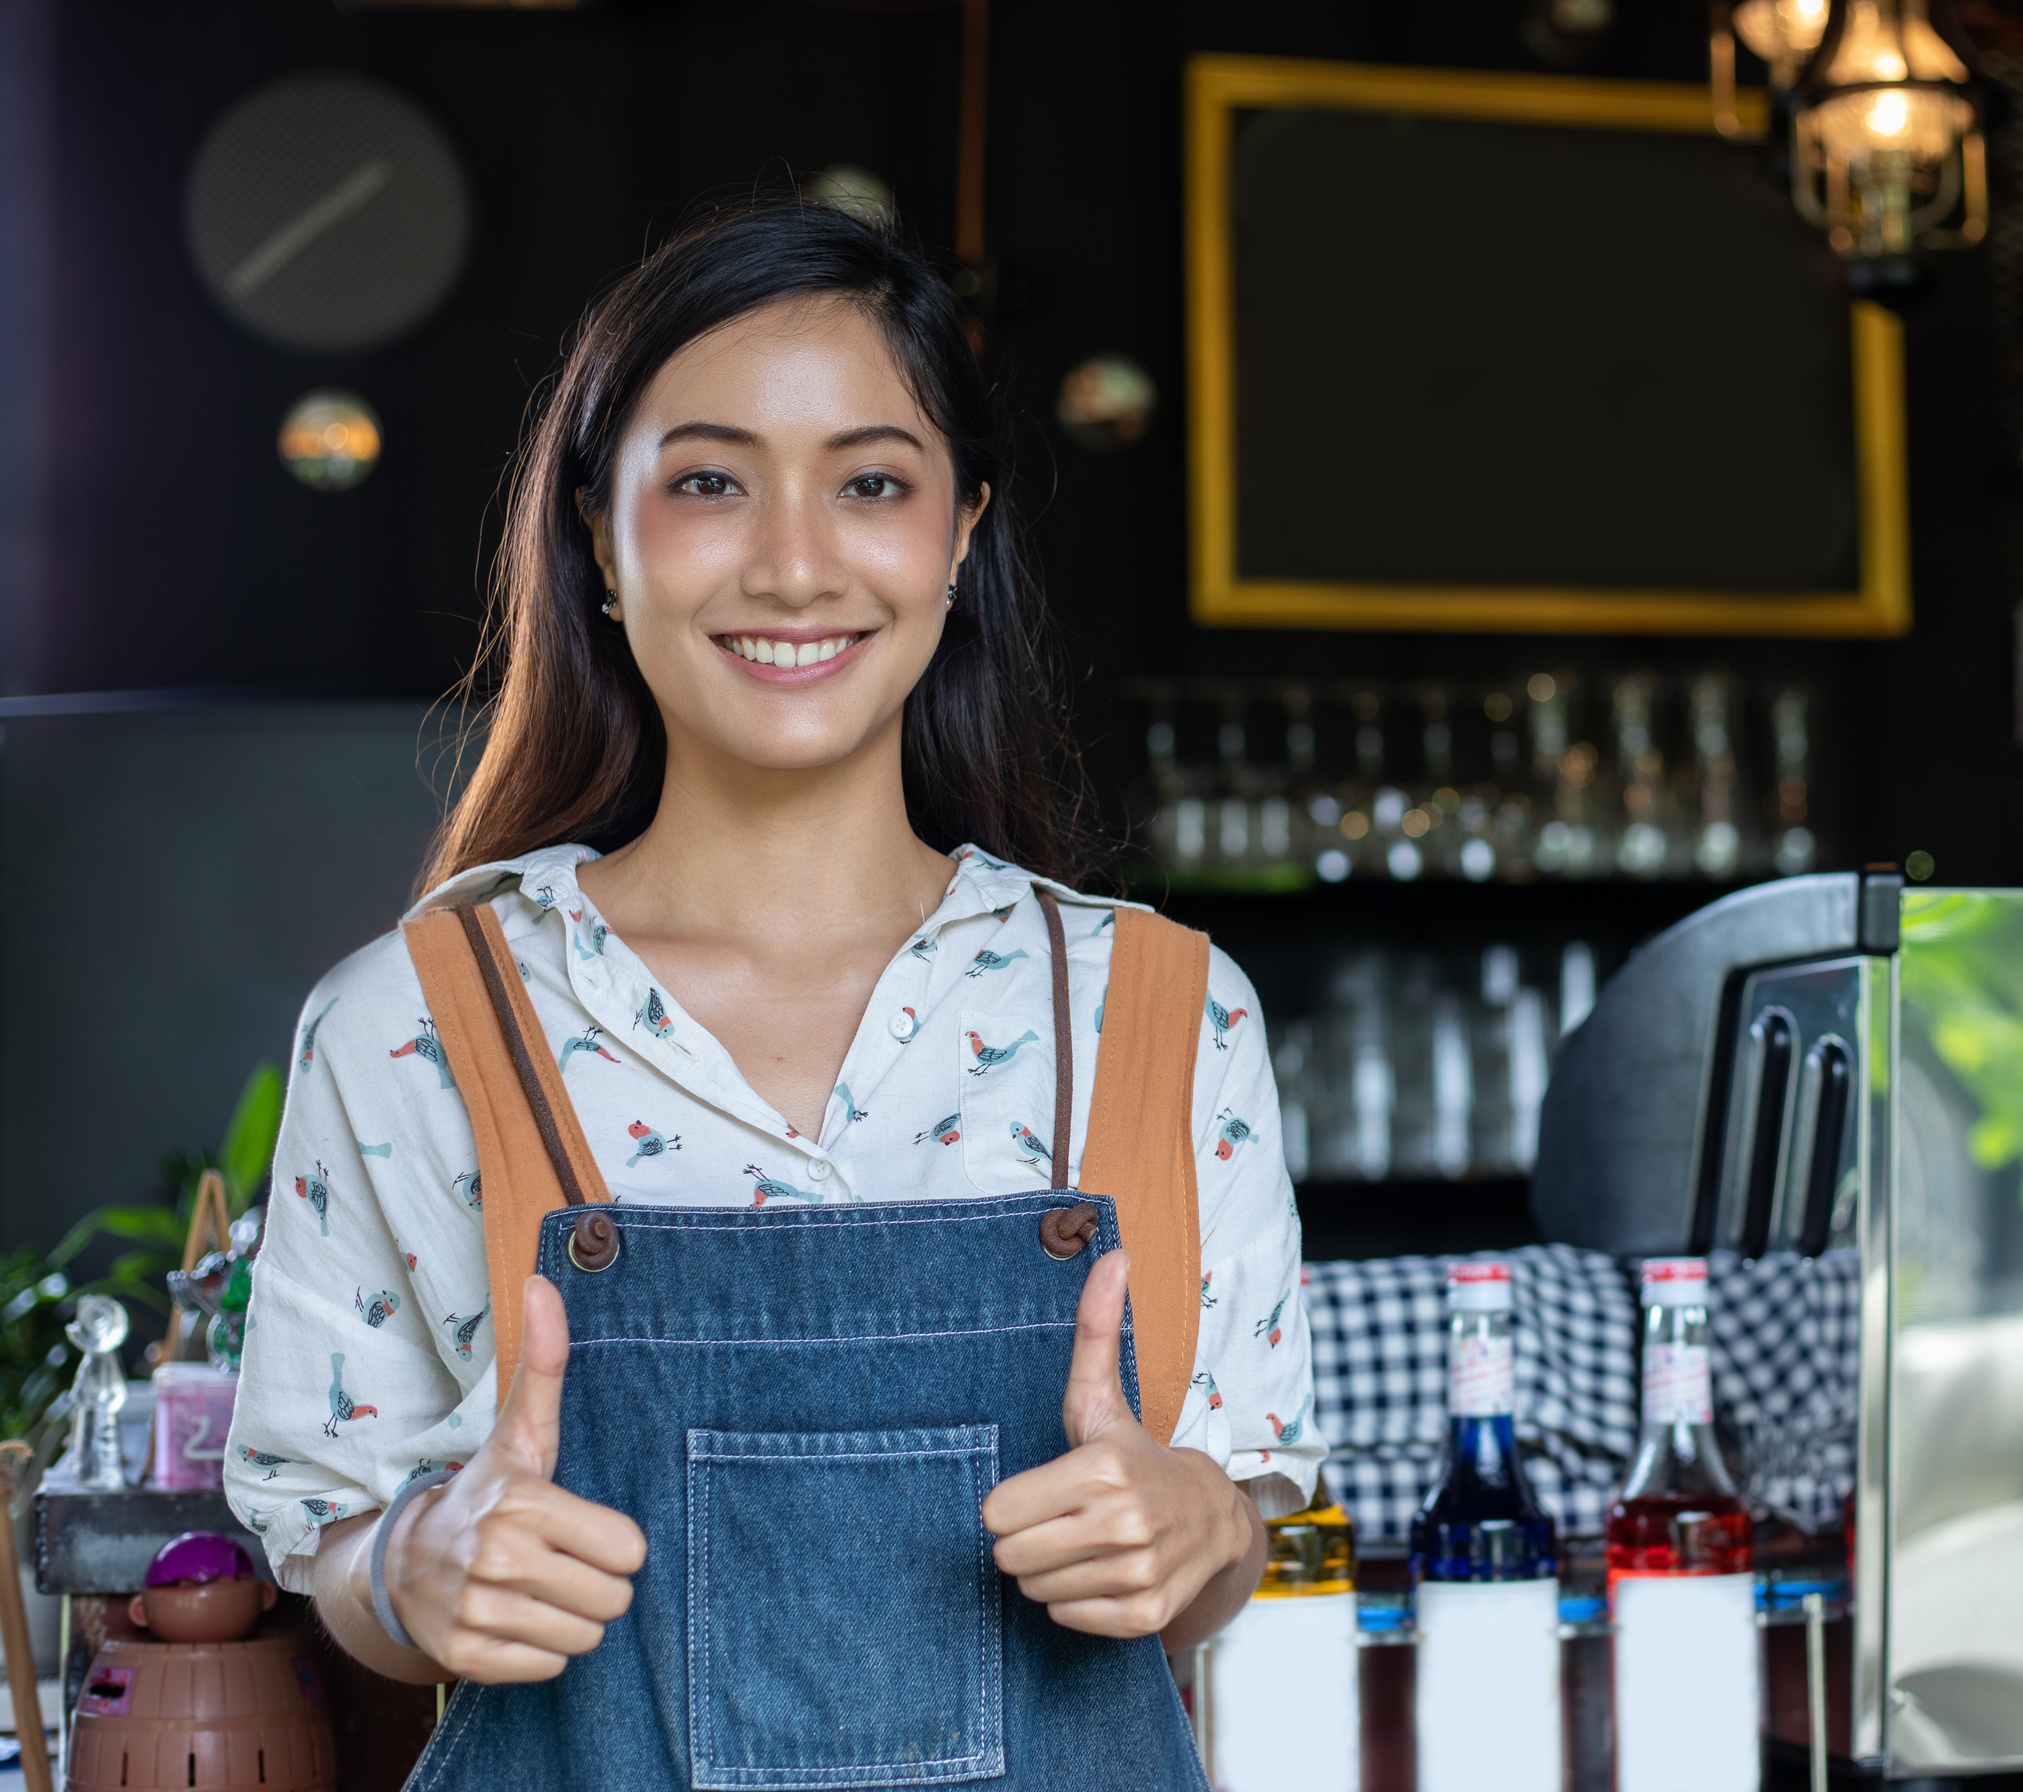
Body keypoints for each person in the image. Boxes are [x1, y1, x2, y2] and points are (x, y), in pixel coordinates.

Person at [222, 200, 1319, 1790]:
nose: (794, 565)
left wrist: (1203, 1531)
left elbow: (1225, 1544)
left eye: (871, 483)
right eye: (710, 483)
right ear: (602, 538)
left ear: (959, 534)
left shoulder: (1165, 1014)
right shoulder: (418, 1021)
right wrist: (412, 1571)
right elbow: (335, 1545)